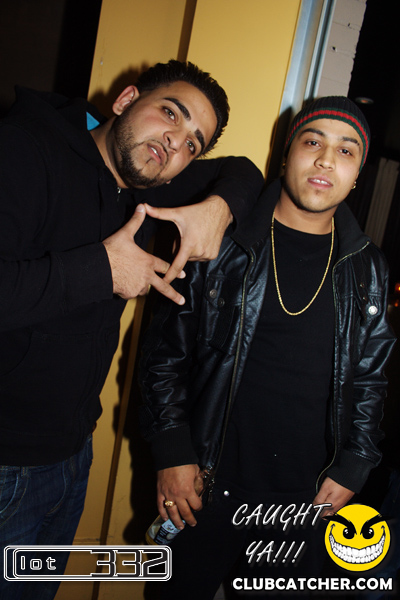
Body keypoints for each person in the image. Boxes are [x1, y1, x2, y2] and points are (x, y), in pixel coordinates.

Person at [0, 59, 263, 599]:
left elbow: (245, 171)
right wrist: (101, 269)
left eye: (192, 144)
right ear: (124, 101)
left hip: (71, 459)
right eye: (171, 113)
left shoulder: (150, 189)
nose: (175, 142)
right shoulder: (23, 148)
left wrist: (218, 208)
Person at [140, 96, 396, 599]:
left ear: (357, 175)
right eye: (313, 141)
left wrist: (355, 465)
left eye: (346, 150)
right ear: (286, 155)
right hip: (204, 488)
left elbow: (371, 378)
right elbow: (164, 356)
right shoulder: (222, 242)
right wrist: (172, 453)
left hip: (305, 502)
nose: (326, 159)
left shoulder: (368, 267)